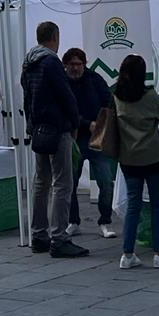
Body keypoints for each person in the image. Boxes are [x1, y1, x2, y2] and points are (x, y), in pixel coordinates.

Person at [21, 22, 88, 258]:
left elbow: (27, 97)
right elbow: (65, 94)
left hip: (38, 128)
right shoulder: (51, 62)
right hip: (57, 127)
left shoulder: (29, 62)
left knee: (41, 181)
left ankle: (38, 235)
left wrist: (31, 125)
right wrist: (74, 122)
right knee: (62, 183)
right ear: (55, 37)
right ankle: (59, 237)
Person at [115, 54, 159, 270]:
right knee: (157, 204)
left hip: (128, 158)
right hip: (153, 156)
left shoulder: (117, 96)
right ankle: (158, 253)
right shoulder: (149, 96)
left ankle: (127, 254)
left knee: (133, 205)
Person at [63, 47, 116, 239]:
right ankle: (73, 221)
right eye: (71, 64)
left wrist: (101, 124)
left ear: (85, 64)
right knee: (70, 184)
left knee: (106, 182)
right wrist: (86, 123)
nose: (75, 68)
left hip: (97, 139)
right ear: (65, 65)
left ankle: (105, 221)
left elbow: (109, 103)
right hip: (73, 139)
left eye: (79, 64)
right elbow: (63, 110)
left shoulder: (95, 80)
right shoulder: (61, 83)